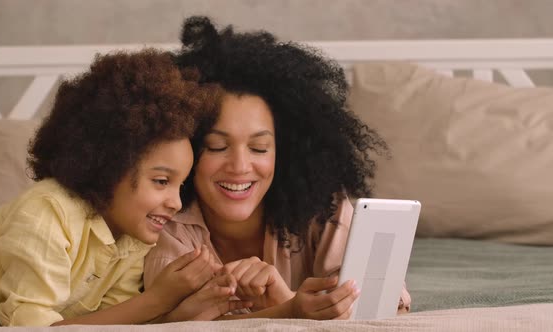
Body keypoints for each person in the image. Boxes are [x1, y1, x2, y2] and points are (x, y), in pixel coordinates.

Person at [144, 16, 411, 320]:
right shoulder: (168, 226)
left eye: (259, 148)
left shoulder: (322, 207)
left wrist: (287, 303)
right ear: (188, 150)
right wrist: (289, 311)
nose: (241, 167)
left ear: (284, 152)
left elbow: (385, 304)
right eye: (217, 147)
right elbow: (172, 324)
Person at [0, 48, 246, 326]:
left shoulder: (132, 239)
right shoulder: (47, 214)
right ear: (109, 166)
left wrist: (183, 308)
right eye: (161, 181)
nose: (175, 202)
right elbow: (32, 328)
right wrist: (157, 300)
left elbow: (111, 324)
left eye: (180, 184)